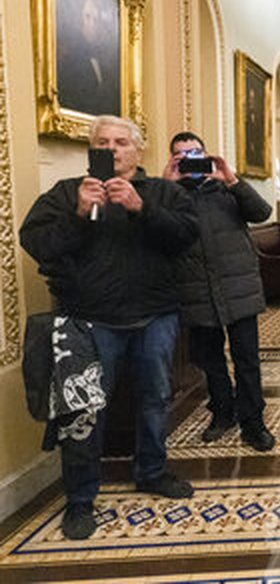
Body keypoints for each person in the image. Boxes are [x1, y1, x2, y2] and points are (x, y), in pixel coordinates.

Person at [19, 116, 199, 540]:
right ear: (92, 149)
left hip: (155, 316)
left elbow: (186, 237)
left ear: (138, 150)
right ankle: (80, 498)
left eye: (122, 142)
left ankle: (152, 471)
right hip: (88, 321)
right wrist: (80, 214)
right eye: (104, 142)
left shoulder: (163, 192)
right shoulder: (67, 193)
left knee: (155, 399)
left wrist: (143, 208)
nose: (114, 149)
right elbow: (37, 243)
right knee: (83, 413)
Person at [164, 131, 276, 452]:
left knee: (247, 361)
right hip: (196, 291)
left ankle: (254, 423)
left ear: (207, 154)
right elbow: (154, 229)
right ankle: (223, 413)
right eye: (182, 156)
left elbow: (261, 212)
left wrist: (232, 179)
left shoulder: (227, 191)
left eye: (196, 152)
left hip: (237, 288)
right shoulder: (169, 197)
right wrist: (165, 186)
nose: (191, 160)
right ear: (174, 161)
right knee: (210, 361)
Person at [56, 0, 119, 116]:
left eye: (96, 19)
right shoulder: (70, 61)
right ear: (79, 20)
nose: (93, 24)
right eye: (88, 17)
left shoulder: (108, 61)